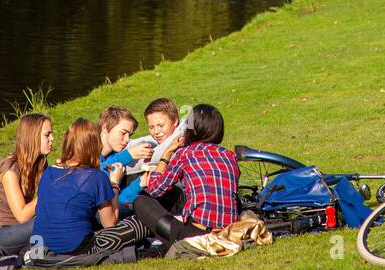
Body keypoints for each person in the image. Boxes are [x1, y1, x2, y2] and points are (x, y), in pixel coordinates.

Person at [133, 104, 239, 256]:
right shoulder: (230, 156)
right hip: (228, 232)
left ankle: (167, 241)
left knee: (141, 201)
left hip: (197, 236)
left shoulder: (185, 153)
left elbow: (155, 189)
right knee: (177, 193)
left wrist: (167, 153)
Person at [32, 118, 146, 257]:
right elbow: (110, 224)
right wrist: (114, 183)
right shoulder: (96, 177)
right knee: (141, 223)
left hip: (38, 248)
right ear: (94, 145)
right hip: (76, 248)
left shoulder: (48, 172)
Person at [0, 113, 54, 254]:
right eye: (47, 135)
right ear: (32, 137)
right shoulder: (10, 171)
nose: (52, 139)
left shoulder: (40, 163)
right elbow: (22, 215)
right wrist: (51, 191)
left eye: (51, 134)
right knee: (46, 221)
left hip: (17, 229)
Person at [116, 98, 181, 211]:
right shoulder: (154, 143)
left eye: (160, 125)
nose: (156, 132)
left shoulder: (180, 144)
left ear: (175, 121)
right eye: (151, 127)